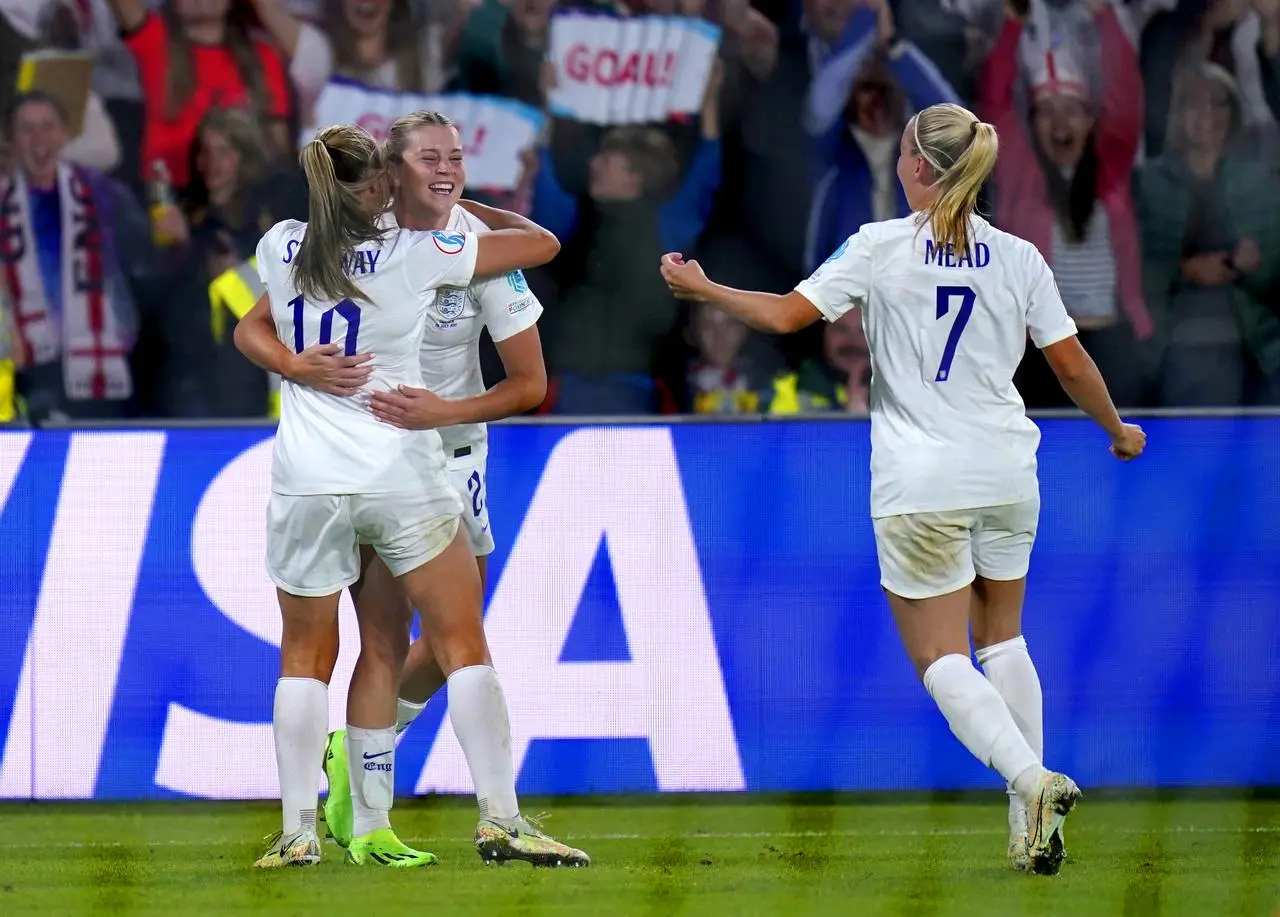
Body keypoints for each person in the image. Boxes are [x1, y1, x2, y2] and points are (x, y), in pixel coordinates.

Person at [659, 101, 1147, 877]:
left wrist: (708, 290)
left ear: (918, 165)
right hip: (1009, 472)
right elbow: (1072, 363)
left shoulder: (882, 246)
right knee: (1006, 639)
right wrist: (1117, 430)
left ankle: (1034, 781)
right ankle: (1031, 828)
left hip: (923, 480)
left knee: (939, 656)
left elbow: (789, 316)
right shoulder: (1019, 256)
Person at [237, 120, 588, 869]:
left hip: (305, 477)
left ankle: (301, 831)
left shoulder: (280, 244)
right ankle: (501, 817)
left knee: (305, 655)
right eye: (424, 161)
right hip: (401, 466)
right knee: (461, 641)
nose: (443, 170)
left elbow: (250, 325)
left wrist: (296, 366)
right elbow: (545, 244)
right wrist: (477, 211)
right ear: (383, 181)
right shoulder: (414, 253)